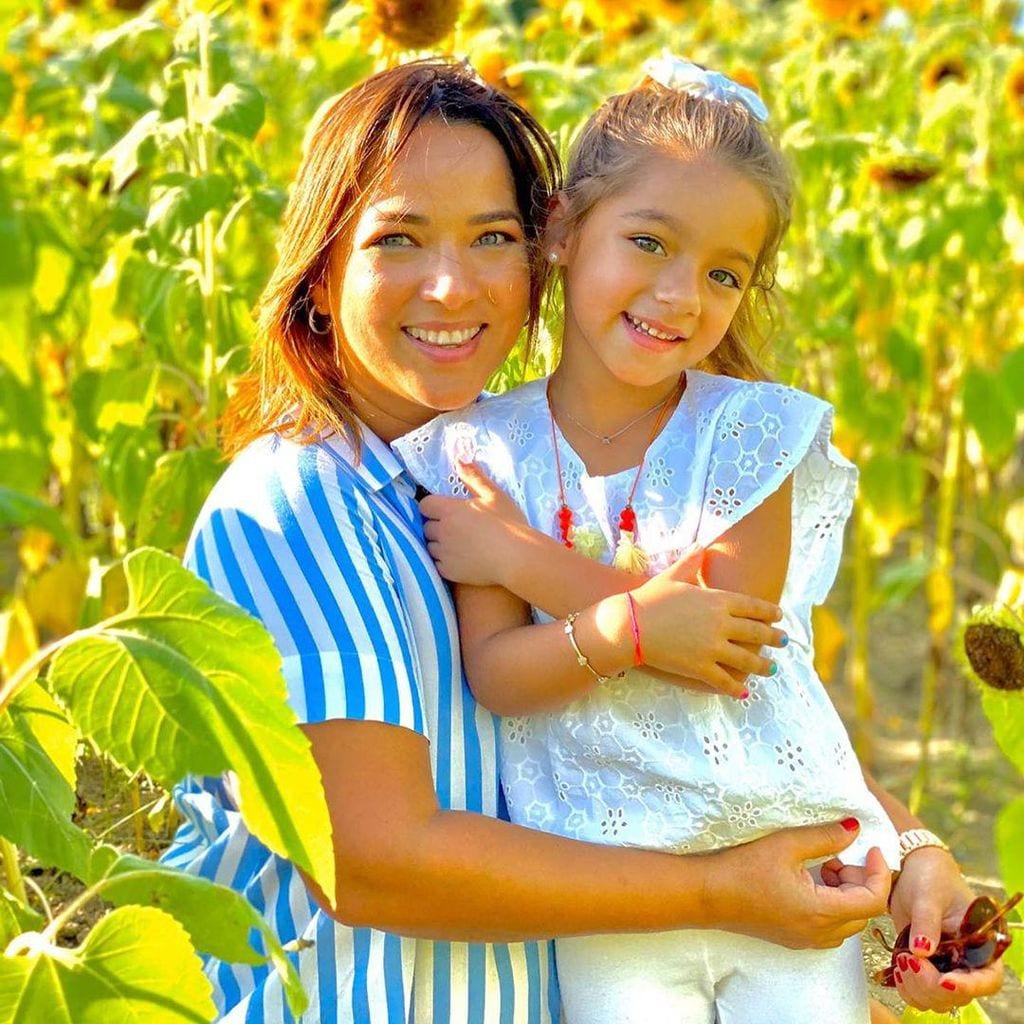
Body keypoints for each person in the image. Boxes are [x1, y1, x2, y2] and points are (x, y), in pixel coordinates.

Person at [161, 59, 900, 1023]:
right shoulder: (299, 502)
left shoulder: (474, 478)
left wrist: (911, 860)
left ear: (539, 247)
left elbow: (744, 708)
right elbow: (374, 861)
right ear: (321, 266)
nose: (451, 283)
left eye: (491, 237)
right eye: (398, 239)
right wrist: (724, 893)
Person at [395, 58, 1006, 1022]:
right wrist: (631, 623)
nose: (680, 294)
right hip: (607, 874)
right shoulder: (483, 452)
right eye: (649, 242)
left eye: (724, 272)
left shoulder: (750, 435)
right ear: (560, 230)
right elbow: (499, 675)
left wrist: (520, 563)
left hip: (792, 853)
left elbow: (720, 644)